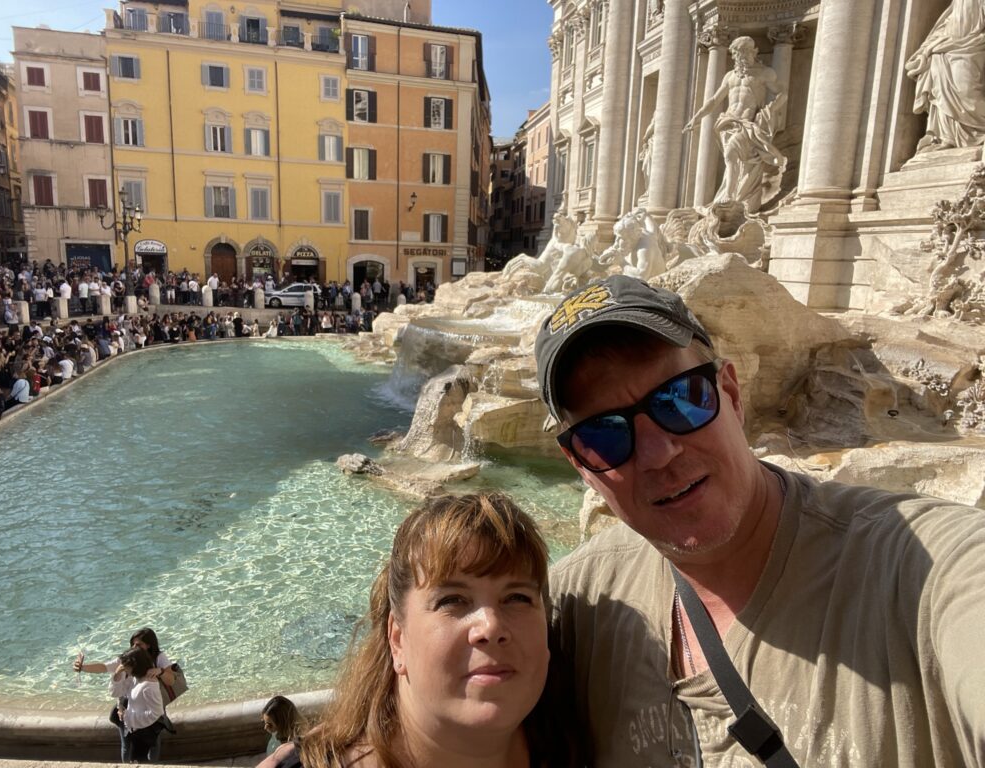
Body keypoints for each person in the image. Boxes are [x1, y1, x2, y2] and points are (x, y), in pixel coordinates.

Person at [535, 274, 985, 765]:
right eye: (605, 435)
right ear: (582, 466)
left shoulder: (921, 570)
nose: (659, 454)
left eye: (679, 400)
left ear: (730, 393)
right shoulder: (576, 604)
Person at [296, 492, 574, 768]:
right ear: (397, 640)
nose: (490, 626)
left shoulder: (574, 743)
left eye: (517, 598)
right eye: (452, 600)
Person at [683, 36, 786, 212]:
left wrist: (768, 111)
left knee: (731, 153)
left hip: (746, 123)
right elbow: (715, 99)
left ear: (754, 52)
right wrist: (697, 117)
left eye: (745, 52)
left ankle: (729, 195)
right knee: (735, 162)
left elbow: (782, 94)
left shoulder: (764, 73)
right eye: (738, 53)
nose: (742, 56)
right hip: (727, 122)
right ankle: (737, 195)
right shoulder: (730, 76)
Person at [74, 627, 176, 762]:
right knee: (127, 743)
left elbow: (171, 680)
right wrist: (83, 667)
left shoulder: (159, 657)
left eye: (138, 644)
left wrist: (160, 671)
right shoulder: (129, 657)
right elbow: (104, 667)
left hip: (149, 703)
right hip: (127, 704)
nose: (134, 646)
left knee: (153, 741)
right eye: (133, 643)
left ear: (149, 645)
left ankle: (152, 764)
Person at [905, 0, 985, 152]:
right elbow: (947, 21)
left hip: (972, 46)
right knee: (941, 91)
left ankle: (978, 133)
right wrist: (929, 46)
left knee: (966, 90)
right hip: (946, 47)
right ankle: (946, 137)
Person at [108, 647, 166, 763]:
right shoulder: (135, 679)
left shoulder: (149, 684)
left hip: (143, 732)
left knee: (140, 760)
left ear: (135, 665)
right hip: (135, 729)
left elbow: (157, 712)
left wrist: (129, 716)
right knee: (135, 758)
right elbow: (117, 693)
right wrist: (117, 675)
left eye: (126, 665)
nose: (124, 667)